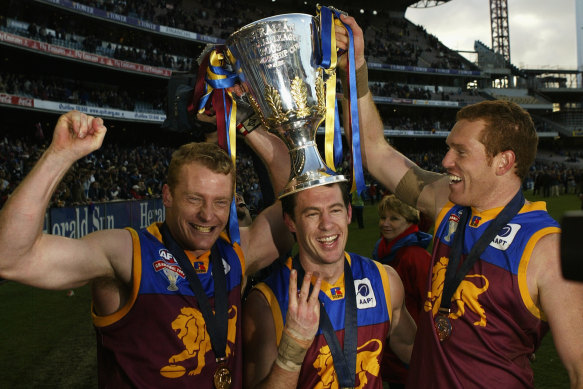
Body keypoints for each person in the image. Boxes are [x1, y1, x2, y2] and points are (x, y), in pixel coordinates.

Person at [336, 14, 583, 388]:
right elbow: (373, 152)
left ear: (504, 161)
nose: (446, 161)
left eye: (460, 152)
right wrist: (356, 71)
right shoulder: (445, 203)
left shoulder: (546, 248)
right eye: (448, 149)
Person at [0, 110, 293, 388]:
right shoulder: (127, 253)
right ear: (167, 195)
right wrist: (59, 156)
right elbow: (11, 257)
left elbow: (296, 204)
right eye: (194, 199)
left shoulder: (236, 253)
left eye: (220, 202)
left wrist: (249, 127)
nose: (208, 215)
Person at [242, 181, 416, 388]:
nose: (327, 224)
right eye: (312, 214)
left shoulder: (385, 280)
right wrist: (293, 347)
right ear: (290, 222)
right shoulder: (266, 302)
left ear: (349, 213)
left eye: (335, 210)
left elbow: (414, 350)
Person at [372, 194, 432, 388]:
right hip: (390, 352)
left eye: (394, 218)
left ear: (410, 222)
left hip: (411, 354)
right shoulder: (383, 251)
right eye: (383, 217)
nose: (385, 223)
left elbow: (431, 307)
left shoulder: (416, 257)